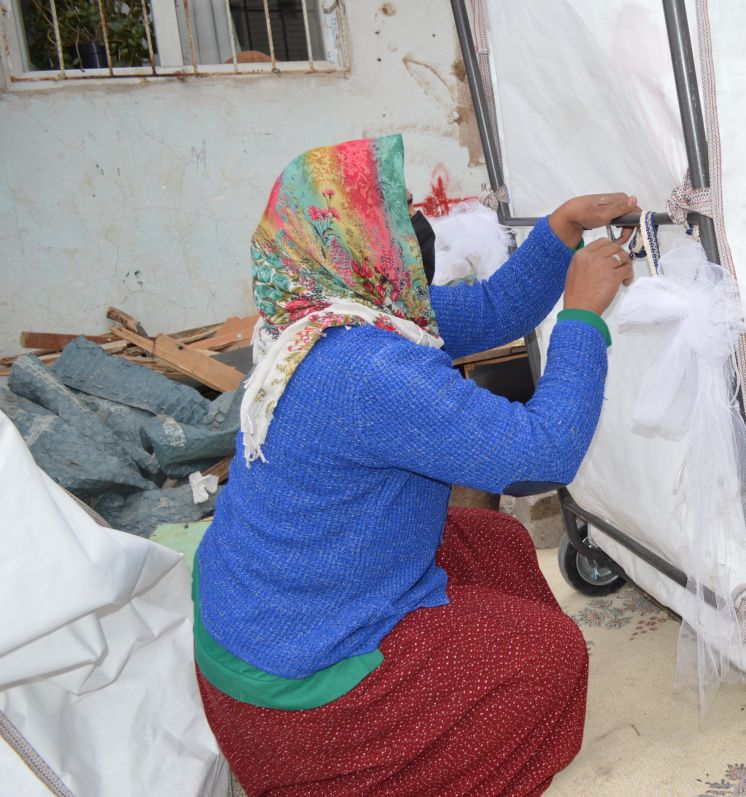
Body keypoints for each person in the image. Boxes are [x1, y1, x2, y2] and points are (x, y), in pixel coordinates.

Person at [192, 133, 639, 796]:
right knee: (552, 660)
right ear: (355, 236)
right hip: (298, 695)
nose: (419, 228)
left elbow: (493, 309)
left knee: (500, 545)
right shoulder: (363, 368)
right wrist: (581, 318)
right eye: (397, 217)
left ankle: (451, 674)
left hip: (268, 620)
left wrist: (559, 232)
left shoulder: (332, 310)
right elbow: (542, 454)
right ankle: (362, 772)